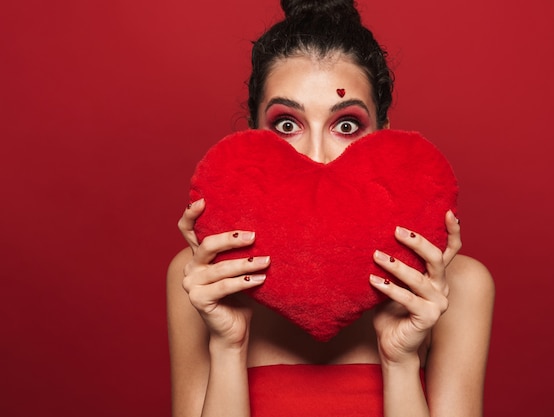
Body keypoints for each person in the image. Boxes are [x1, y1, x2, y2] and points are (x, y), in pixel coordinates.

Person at [167, 0, 495, 416]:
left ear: (385, 137)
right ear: (252, 135)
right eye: (287, 125)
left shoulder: (459, 287)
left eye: (346, 125)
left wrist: (401, 361)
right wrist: (227, 345)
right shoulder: (205, 278)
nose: (317, 157)